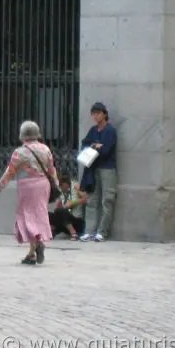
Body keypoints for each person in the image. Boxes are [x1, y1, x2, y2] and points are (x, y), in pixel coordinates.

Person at [0, 120, 58, 265]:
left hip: (27, 186)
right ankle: (32, 253)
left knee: (27, 217)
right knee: (39, 214)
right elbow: (51, 169)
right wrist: (57, 185)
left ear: (22, 136)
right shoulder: (45, 149)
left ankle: (37, 244)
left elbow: (10, 172)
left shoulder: (19, 152)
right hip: (43, 185)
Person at [79, 101, 117, 242]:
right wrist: (95, 146)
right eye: (93, 114)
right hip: (93, 168)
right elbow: (85, 143)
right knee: (92, 200)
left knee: (107, 200)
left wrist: (96, 147)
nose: (96, 116)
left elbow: (106, 150)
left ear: (104, 114)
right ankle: (90, 230)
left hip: (107, 169)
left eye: (98, 113)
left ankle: (102, 231)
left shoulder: (110, 131)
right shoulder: (93, 130)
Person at [49, 174, 87, 240]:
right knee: (51, 214)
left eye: (62, 186)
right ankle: (52, 232)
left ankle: (74, 234)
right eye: (60, 186)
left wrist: (72, 203)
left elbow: (86, 199)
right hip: (65, 220)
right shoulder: (62, 191)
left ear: (66, 183)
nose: (61, 188)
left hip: (76, 220)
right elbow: (59, 208)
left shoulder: (75, 186)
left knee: (61, 211)